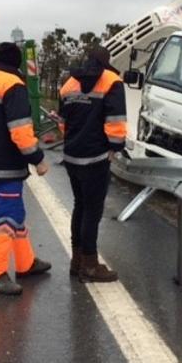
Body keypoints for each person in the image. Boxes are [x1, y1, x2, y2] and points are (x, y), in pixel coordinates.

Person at [0, 42, 51, 295]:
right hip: (7, 163)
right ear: (18, 63)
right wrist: (37, 158)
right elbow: (20, 131)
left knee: (14, 212)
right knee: (8, 215)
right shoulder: (14, 86)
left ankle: (25, 262)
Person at [58, 46, 126, 282]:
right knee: (93, 210)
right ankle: (89, 265)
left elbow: (62, 121)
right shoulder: (112, 81)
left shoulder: (69, 83)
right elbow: (116, 120)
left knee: (80, 206)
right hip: (96, 157)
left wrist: (71, 141)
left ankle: (76, 261)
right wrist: (115, 148)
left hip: (72, 155)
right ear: (107, 61)